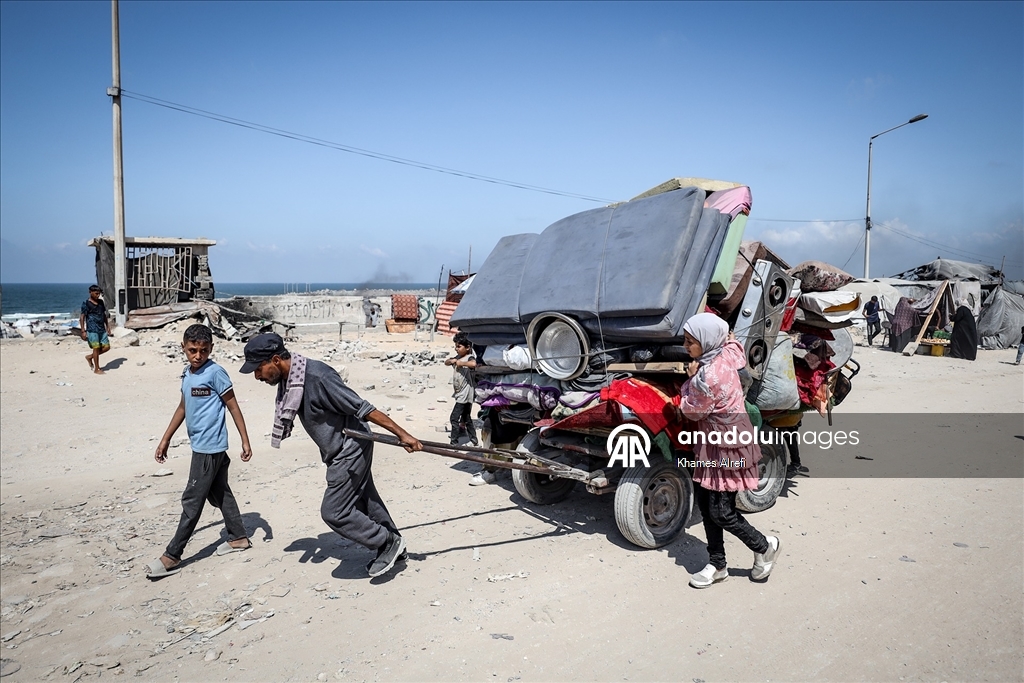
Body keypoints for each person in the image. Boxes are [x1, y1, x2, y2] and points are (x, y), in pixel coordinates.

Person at [240, 332, 423, 578]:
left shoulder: (318, 377)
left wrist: (403, 434)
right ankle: (395, 546)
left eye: (258, 368)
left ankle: (386, 542)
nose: (257, 376)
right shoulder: (292, 380)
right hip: (339, 449)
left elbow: (362, 407)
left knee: (334, 511)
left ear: (275, 360)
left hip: (351, 447)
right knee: (364, 499)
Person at [677, 313, 781, 589]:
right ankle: (718, 564)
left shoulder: (707, 377)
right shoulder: (725, 353)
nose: (686, 346)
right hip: (714, 445)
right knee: (705, 502)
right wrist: (731, 338)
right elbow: (735, 348)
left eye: (691, 341)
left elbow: (692, 410)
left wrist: (688, 380)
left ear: (707, 342)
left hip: (728, 448)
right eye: (685, 340)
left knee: (721, 511)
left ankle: (764, 546)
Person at [147, 324, 253, 579]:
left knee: (192, 500)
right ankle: (238, 537)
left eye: (203, 351)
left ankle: (172, 554)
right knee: (220, 494)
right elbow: (183, 407)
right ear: (183, 348)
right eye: (192, 350)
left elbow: (234, 407)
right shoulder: (188, 374)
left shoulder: (216, 373)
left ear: (211, 349)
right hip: (200, 446)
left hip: (210, 448)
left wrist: (245, 441)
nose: (198, 355)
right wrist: (165, 439)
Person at [80, 285, 113, 374]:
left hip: (101, 329)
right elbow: (82, 317)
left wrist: (108, 326)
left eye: (99, 294)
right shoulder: (86, 304)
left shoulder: (101, 302)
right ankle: (97, 369)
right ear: (90, 292)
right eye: (96, 293)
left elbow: (104, 315)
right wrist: (83, 330)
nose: (97, 295)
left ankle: (90, 357)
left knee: (107, 347)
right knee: (96, 348)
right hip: (92, 330)